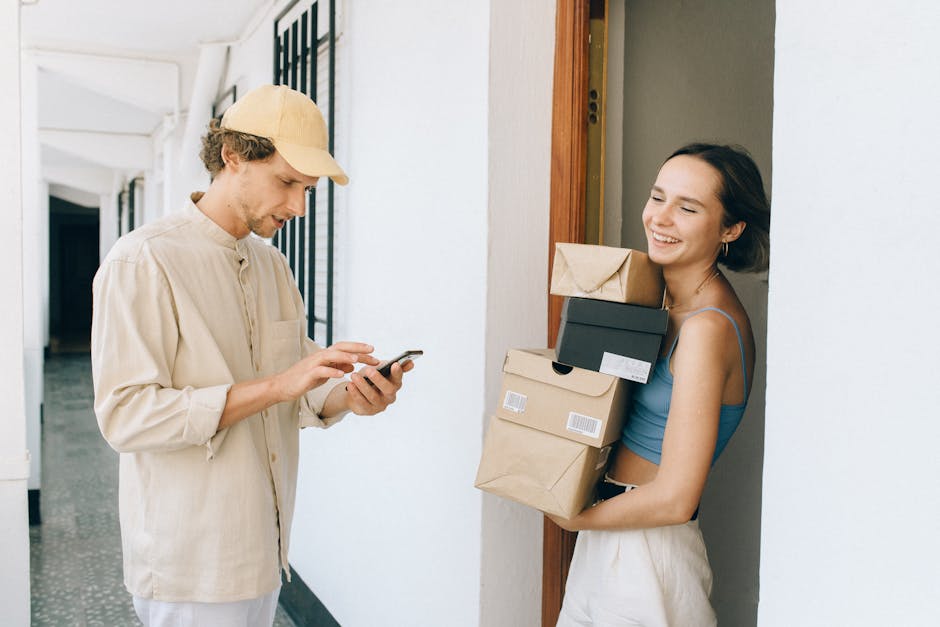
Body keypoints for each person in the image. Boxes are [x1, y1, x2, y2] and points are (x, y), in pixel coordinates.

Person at [91, 84, 414, 626]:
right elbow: (126, 416)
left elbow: (301, 387)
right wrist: (277, 387)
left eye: (307, 189)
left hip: (266, 552)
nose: (298, 206)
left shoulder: (272, 266)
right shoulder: (143, 260)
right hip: (191, 564)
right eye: (287, 182)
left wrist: (349, 397)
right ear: (232, 157)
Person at [551, 143, 771, 627]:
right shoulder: (660, 303)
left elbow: (675, 496)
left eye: (687, 208)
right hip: (615, 533)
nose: (661, 218)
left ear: (731, 229)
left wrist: (574, 518)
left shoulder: (707, 328)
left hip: (646, 550)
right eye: (658, 197)